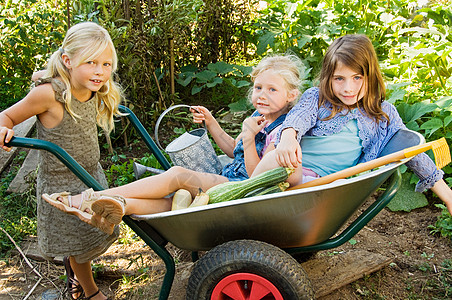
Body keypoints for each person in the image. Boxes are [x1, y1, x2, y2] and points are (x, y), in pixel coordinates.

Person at [41, 54, 304, 233]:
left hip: (240, 192)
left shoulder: (282, 133)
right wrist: (212, 124)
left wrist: (248, 139)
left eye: (272, 90)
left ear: (291, 95)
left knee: (178, 176)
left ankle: (92, 197)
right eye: (258, 88)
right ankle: (116, 206)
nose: (262, 95)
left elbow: (254, 175)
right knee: (176, 201)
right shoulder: (259, 117)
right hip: (227, 178)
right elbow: (230, 150)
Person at [251, 34, 452, 215]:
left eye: (357, 77)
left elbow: (411, 151)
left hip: (321, 186)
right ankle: (245, 199)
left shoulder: (383, 115)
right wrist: (288, 137)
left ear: (370, 76)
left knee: (341, 187)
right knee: (283, 159)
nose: (348, 88)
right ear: (328, 78)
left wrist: (448, 197)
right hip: (291, 170)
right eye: (339, 78)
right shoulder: (318, 98)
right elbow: (299, 116)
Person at [0, 22, 122, 300]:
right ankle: (90, 293)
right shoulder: (48, 94)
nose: (100, 71)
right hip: (62, 185)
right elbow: (5, 117)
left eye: (105, 63)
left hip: (89, 174)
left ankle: (76, 277)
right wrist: (4, 129)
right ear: (67, 61)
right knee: (77, 244)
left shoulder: (94, 87)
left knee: (90, 234)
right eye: (90, 62)